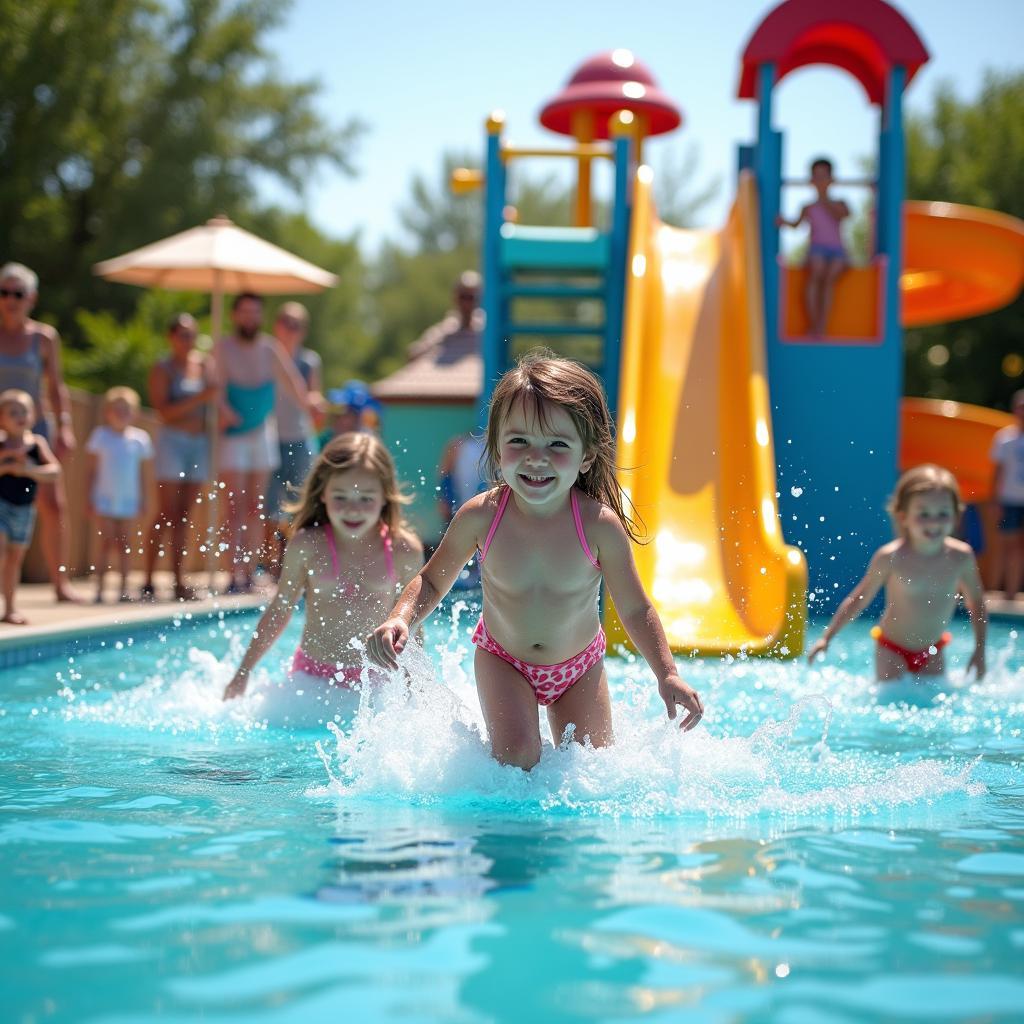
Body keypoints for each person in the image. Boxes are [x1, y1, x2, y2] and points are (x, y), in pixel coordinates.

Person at [367, 351, 704, 771]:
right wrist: (400, 617)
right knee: (517, 759)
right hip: (502, 658)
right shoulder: (481, 516)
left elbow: (635, 608)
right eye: (519, 441)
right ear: (496, 446)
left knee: (591, 769)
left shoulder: (598, 526)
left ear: (586, 456)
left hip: (579, 665)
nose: (535, 457)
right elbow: (433, 582)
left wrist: (666, 673)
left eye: (557, 445)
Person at [223, 433, 423, 719]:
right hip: (312, 676)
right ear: (323, 493)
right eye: (340, 497)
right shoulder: (307, 545)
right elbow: (280, 609)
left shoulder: (403, 549)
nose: (353, 508)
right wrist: (243, 672)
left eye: (366, 498)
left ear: (384, 497)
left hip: (375, 679)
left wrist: (412, 685)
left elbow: (413, 624)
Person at [807, 464, 987, 682]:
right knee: (890, 698)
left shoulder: (961, 558)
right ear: (903, 516)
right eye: (923, 514)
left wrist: (979, 651)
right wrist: (827, 637)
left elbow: (976, 603)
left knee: (933, 705)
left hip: (933, 650)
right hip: (891, 648)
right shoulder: (890, 557)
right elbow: (859, 599)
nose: (934, 521)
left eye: (943, 513)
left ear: (956, 515)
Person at [214, 292, 310, 594]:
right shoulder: (223, 348)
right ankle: (232, 573)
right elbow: (212, 388)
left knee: (256, 508)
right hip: (233, 435)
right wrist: (223, 409)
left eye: (255, 312)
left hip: (261, 435)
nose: (250, 317)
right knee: (233, 507)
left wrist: (310, 408)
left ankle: (249, 572)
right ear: (234, 315)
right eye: (244, 312)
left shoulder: (270, 348)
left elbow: (294, 384)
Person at [0, 262, 80, 602]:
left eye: (17, 293)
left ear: (31, 298)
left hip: (37, 430)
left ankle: (60, 585)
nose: (10, 299)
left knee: (53, 504)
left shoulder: (44, 338)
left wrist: (65, 426)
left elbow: (57, 387)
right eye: (4, 292)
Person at [143, 314, 218, 601]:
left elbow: (216, 398)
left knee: (185, 517)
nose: (187, 341)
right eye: (182, 335)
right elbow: (164, 412)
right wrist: (202, 398)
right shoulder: (163, 369)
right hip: (172, 443)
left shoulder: (204, 365)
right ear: (171, 337)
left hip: (199, 445)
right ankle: (149, 579)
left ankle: (178, 580)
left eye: (192, 335)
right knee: (166, 514)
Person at [264, 302, 323, 580]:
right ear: (276, 324)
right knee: (268, 505)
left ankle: (291, 565)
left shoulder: (308, 360)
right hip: (269, 437)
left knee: (299, 505)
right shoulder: (265, 355)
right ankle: (269, 565)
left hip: (300, 437)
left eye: (296, 324)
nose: (290, 329)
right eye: (286, 322)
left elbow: (314, 397)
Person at [86, 387, 154, 603]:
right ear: (107, 412)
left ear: (134, 413)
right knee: (105, 542)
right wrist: (89, 497)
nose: (121, 414)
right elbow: (91, 471)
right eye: (116, 409)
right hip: (104, 498)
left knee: (125, 543)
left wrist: (143, 499)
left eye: (126, 410)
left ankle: (124, 588)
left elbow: (144, 474)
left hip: (128, 499)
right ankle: (99, 588)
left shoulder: (139, 439)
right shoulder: (101, 436)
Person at [0, 390, 60, 624]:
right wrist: (6, 466)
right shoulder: (1, 444)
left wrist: (27, 470)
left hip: (25, 511)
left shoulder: (36, 443)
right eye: (13, 412)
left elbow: (55, 472)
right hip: (2, 505)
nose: (20, 416)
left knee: (14, 560)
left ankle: (10, 609)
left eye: (24, 411)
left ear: (33, 415)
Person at [776, 157, 850, 338]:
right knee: (817, 271)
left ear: (831, 180)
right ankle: (814, 324)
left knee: (829, 278)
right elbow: (795, 225)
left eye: (824, 176)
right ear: (811, 181)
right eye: (816, 177)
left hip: (837, 251)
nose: (820, 181)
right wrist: (782, 221)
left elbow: (844, 215)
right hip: (817, 249)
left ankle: (821, 325)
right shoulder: (808, 207)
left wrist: (825, 200)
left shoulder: (839, 203)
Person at [990, 388, 1024, 600]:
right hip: (1010, 499)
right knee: (1008, 545)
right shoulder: (1004, 438)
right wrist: (995, 499)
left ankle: (1013, 590)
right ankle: (1006, 591)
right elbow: (998, 471)